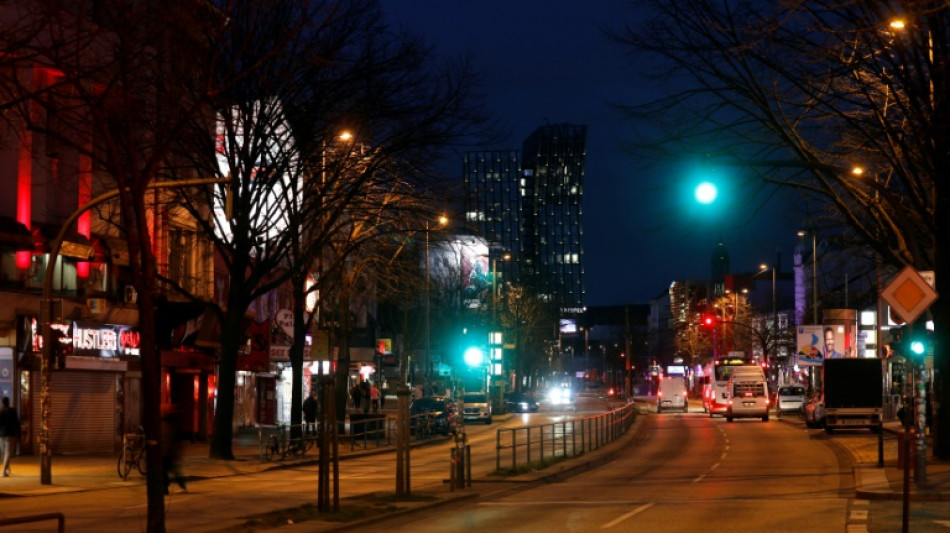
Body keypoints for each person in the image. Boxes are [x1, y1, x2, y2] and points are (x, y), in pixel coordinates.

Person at [161, 404, 187, 494]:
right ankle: (167, 487)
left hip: (168, 452)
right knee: (168, 470)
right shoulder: (168, 423)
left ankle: (167, 487)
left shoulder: (170, 423)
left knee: (169, 470)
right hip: (167, 451)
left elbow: (172, 438)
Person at [0, 397, 20, 477]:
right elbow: (17, 423)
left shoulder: (1, 411)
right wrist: (19, 435)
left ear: (2, 403)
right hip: (10, 434)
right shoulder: (13, 411)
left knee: (4, 452)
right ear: (8, 402)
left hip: (1, 435)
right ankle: (4, 471)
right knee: (8, 453)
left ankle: (7, 468)